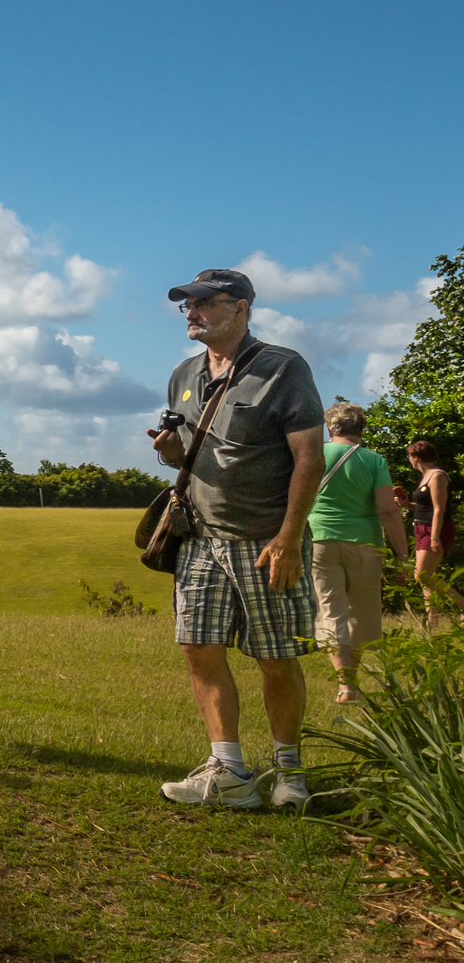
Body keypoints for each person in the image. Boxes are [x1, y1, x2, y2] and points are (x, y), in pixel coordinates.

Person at [148, 268, 325, 809]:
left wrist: (290, 537)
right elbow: (183, 449)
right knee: (198, 648)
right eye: (187, 305)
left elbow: (309, 458)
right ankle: (228, 770)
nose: (192, 313)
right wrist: (169, 451)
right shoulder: (183, 373)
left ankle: (288, 772)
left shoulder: (282, 367)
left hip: (264, 541)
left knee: (274, 657)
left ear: (242, 307)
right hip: (199, 537)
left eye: (205, 303)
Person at [307, 403, 409, 702]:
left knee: (330, 609)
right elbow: (388, 511)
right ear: (362, 429)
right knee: (361, 611)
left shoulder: (315, 455)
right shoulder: (374, 460)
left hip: (319, 539)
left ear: (329, 429)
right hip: (365, 542)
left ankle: (345, 685)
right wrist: (402, 556)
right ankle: (352, 680)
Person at [394, 440, 464, 628]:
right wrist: (408, 505)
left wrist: (435, 537)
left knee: (422, 576)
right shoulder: (426, 477)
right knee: (427, 579)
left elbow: (439, 509)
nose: (409, 461)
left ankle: (462, 605)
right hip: (422, 528)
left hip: (435, 530)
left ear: (416, 457)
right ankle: (432, 624)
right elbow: (427, 506)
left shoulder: (437, 476)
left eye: (409, 457)